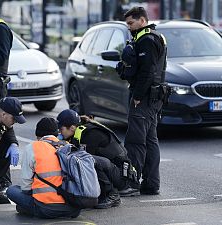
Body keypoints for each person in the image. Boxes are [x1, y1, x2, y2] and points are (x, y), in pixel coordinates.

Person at [122, 7, 167, 195]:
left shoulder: (147, 40)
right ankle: (150, 183)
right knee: (150, 140)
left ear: (142, 20)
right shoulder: (154, 37)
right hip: (154, 97)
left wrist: (138, 96)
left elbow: (147, 72)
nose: (129, 28)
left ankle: (132, 183)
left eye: (131, 23)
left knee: (135, 141)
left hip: (145, 97)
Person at [56, 109, 140, 208]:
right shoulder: (80, 132)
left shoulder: (90, 134)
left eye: (61, 130)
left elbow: (86, 164)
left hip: (124, 178)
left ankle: (112, 194)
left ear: (72, 128)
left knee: (89, 161)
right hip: (115, 171)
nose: (60, 134)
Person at [6, 117, 81, 218]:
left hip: (46, 208)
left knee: (12, 190)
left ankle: (30, 209)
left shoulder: (33, 147)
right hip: (73, 208)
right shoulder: (68, 146)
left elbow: (26, 185)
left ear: (38, 135)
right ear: (57, 134)